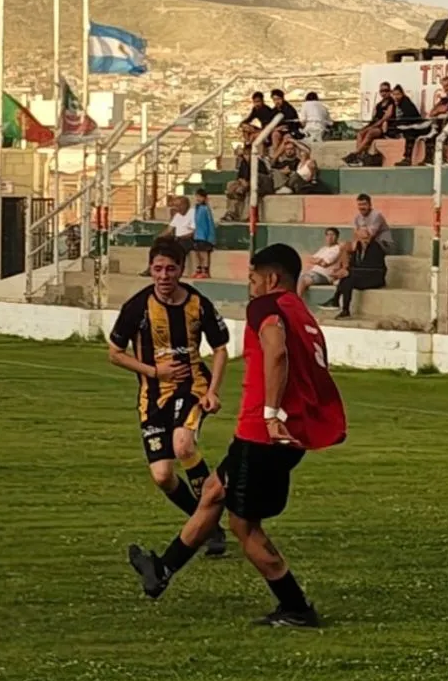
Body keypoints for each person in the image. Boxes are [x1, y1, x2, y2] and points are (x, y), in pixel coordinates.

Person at [128, 243, 347, 627]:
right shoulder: (302, 313)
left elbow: (276, 352)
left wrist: (271, 413)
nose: (249, 286)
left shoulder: (266, 307)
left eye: (251, 278)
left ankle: (296, 607)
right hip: (284, 434)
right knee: (213, 490)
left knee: (244, 526)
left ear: (271, 278)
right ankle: (162, 570)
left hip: (263, 435)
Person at [109, 238, 231, 558]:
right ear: (151, 269)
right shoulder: (137, 306)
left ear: (181, 270)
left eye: (171, 269)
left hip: (191, 386)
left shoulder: (197, 303)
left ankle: (210, 517)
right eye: (158, 268)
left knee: (183, 444)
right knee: (163, 476)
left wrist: (213, 390)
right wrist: (153, 371)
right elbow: (115, 354)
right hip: (152, 396)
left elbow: (220, 349)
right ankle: (206, 523)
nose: (164, 275)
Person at [323, 194, 393, 319]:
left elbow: (372, 268)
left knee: (348, 275)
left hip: (375, 276)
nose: (361, 237)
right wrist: (347, 270)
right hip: (364, 276)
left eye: (364, 204)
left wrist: (348, 271)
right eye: (359, 205)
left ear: (370, 204)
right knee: (347, 278)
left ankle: (336, 299)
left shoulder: (375, 249)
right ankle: (344, 309)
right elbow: (358, 265)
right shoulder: (359, 247)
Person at [297, 228, 345, 299]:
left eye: (332, 235)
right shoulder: (323, 249)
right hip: (313, 273)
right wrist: (317, 260)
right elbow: (309, 259)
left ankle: (297, 302)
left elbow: (324, 264)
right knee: (294, 278)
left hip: (324, 276)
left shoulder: (337, 249)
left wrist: (316, 260)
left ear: (337, 237)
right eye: (328, 235)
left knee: (302, 280)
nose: (330, 237)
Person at [192, 189, 216, 279]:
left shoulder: (206, 209)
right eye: (197, 196)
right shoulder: (196, 208)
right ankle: (198, 269)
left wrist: (210, 237)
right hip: (197, 235)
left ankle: (205, 271)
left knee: (204, 254)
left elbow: (210, 223)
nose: (198, 198)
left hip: (205, 236)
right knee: (197, 253)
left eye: (200, 197)